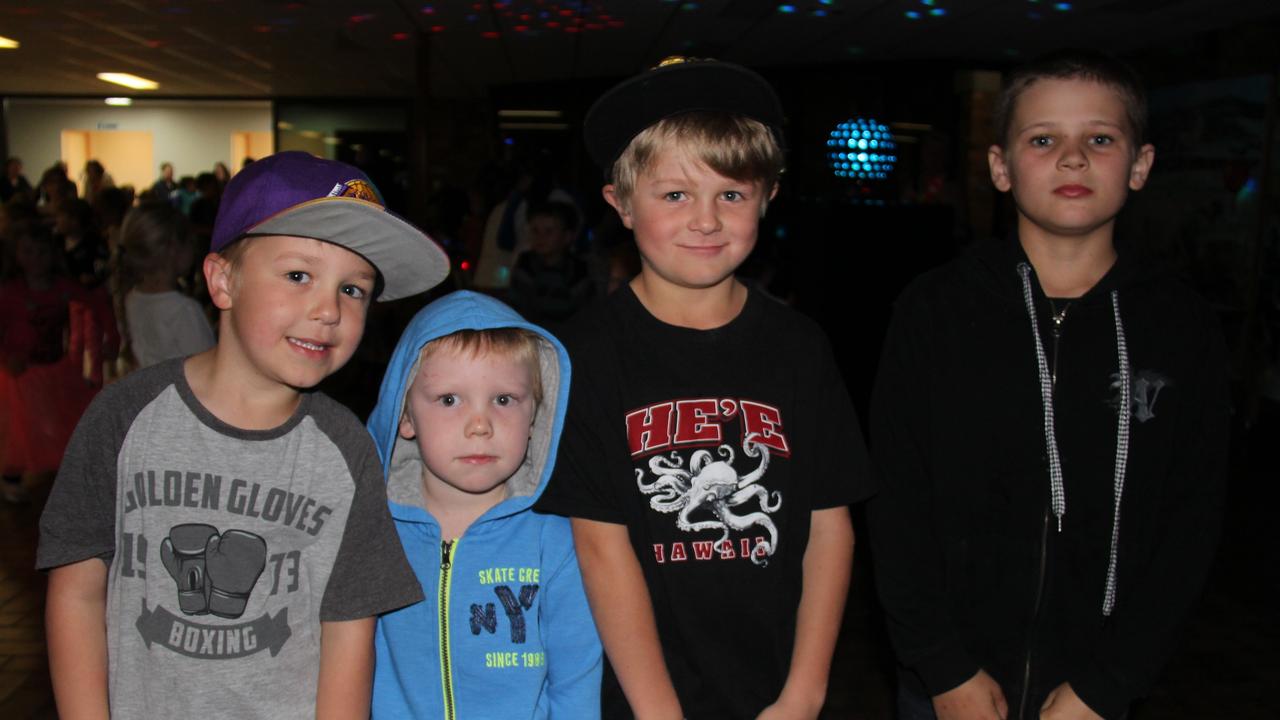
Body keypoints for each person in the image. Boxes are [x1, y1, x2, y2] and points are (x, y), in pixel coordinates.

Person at [866, 50, 1229, 720]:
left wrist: (1110, 683)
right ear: (1001, 168)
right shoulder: (935, 310)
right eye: (1043, 140)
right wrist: (943, 667)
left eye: (1099, 138)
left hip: (1098, 689)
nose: (1072, 158)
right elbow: (894, 502)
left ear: (1140, 164)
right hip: (950, 684)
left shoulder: (1181, 326)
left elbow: (1191, 522)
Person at [36, 150, 452, 719]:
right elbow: (78, 591)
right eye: (298, 275)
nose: (328, 309)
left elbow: (349, 631)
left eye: (354, 289)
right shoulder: (125, 416)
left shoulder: (345, 449)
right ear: (223, 280)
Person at [535, 56, 874, 719]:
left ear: (767, 198)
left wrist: (804, 693)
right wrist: (659, 710)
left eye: (731, 194)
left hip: (777, 684)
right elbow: (599, 546)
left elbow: (830, 526)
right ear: (622, 203)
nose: (706, 220)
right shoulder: (583, 354)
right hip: (637, 694)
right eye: (674, 195)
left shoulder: (801, 347)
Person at [366, 290, 602, 719]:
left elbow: (577, 683)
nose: (480, 424)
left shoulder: (556, 540)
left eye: (504, 399)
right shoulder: (375, 534)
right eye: (449, 399)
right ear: (404, 415)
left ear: (535, 417)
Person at [0, 221, 98, 504]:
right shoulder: (10, 292)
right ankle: (12, 476)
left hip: (55, 367)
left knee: (58, 420)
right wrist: (6, 358)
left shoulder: (63, 288)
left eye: (42, 252)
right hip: (20, 372)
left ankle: (61, 472)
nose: (35, 260)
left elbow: (92, 303)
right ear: (16, 255)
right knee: (19, 428)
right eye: (28, 252)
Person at [115, 202, 215, 370]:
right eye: (191, 242)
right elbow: (211, 371)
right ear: (174, 248)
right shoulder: (183, 310)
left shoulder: (132, 298)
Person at [508, 200, 594, 329]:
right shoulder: (525, 264)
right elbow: (517, 305)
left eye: (548, 231)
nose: (540, 237)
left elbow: (583, 312)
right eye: (535, 231)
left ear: (567, 236)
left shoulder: (578, 270)